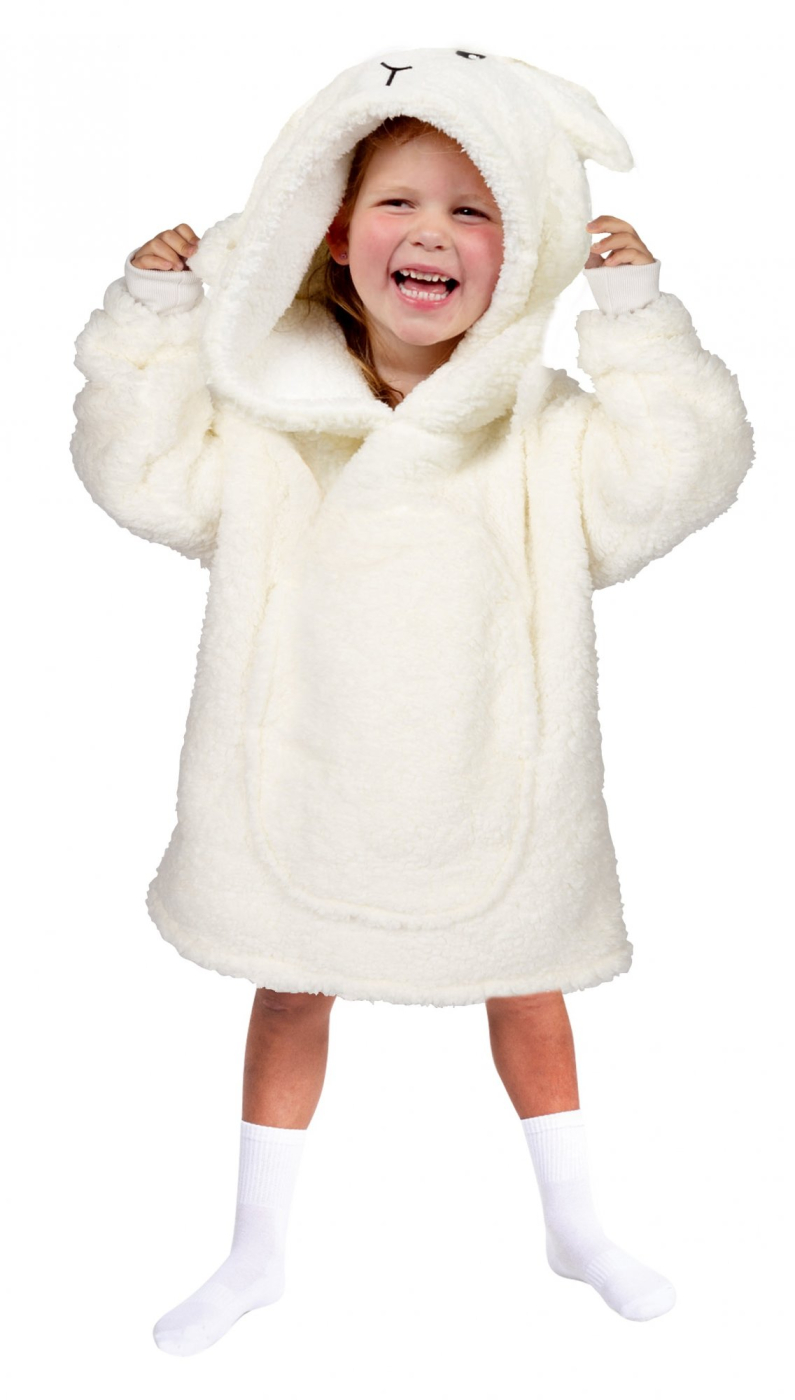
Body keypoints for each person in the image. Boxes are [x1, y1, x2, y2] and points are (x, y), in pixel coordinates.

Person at [70, 49, 755, 1356]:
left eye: (473, 209)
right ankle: (256, 1250)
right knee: (290, 984)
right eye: (399, 201)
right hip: (299, 769)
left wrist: (635, 321)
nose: (431, 232)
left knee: (527, 981)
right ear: (333, 229)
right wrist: (153, 323)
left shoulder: (543, 431)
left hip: (497, 773)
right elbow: (141, 475)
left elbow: (677, 476)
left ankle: (576, 1225)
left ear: (523, 250)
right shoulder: (266, 420)